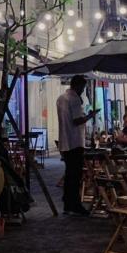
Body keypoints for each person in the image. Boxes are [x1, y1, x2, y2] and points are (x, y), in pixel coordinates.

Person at [56, 75, 92, 216]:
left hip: (65, 141)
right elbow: (77, 120)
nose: (83, 90)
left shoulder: (61, 98)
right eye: (83, 87)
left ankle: (67, 203)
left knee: (69, 173)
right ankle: (75, 205)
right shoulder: (74, 99)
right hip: (75, 141)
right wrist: (90, 116)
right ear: (78, 86)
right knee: (75, 175)